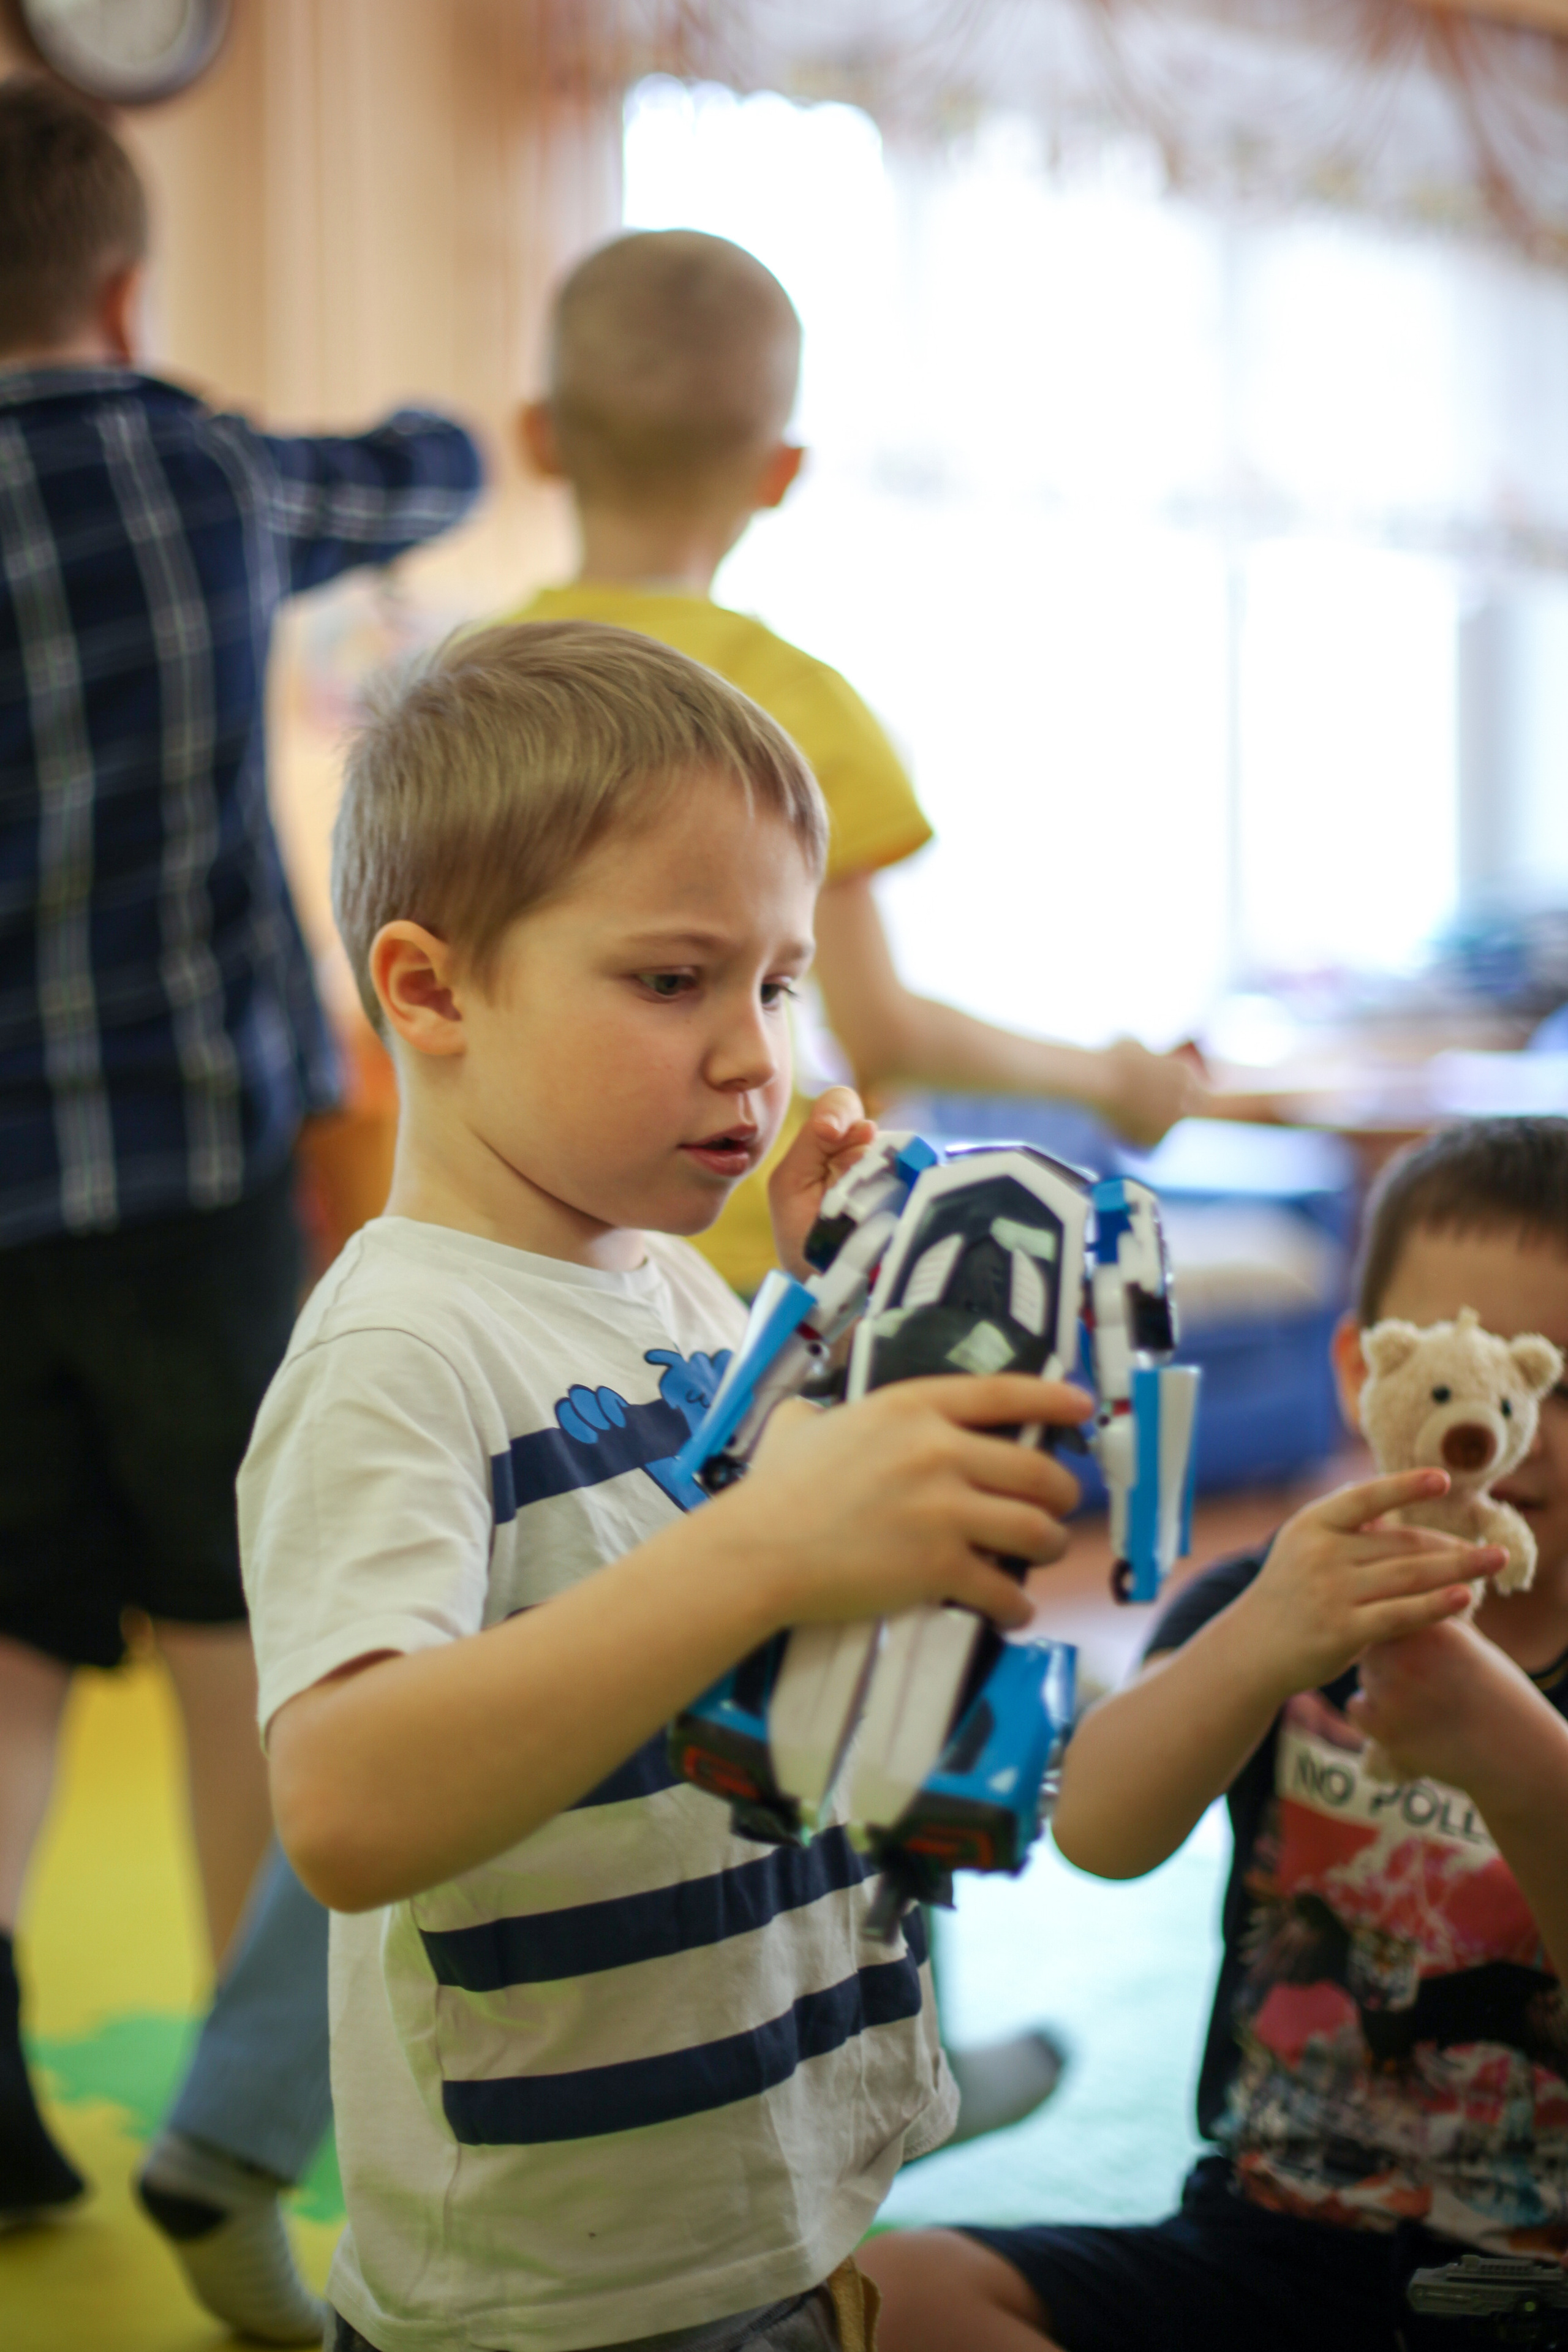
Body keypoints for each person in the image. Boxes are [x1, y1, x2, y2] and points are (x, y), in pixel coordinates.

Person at [245, 617, 1093, 2352]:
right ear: (430, 991)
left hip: (763, 2207)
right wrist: (769, 1540)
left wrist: (843, 1334)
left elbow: (765, 1609)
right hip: (557, 2301)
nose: (754, 1055)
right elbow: (343, 1802)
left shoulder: (680, 1293)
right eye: (670, 981)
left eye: (775, 983)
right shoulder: (397, 1353)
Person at [0, 69, 482, 2340]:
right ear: (122, 290)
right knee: (234, 1647)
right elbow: (423, 464)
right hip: (187, 1169)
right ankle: (236, 2121)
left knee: (9, 1652)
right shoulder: (193, 464)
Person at [860, 1115, 1568, 2352]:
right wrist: (1260, 1642)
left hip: (1534, 2285)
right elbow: (1100, 1832)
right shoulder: (1274, 1601)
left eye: (1557, 1381)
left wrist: (1521, 1766)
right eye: (1463, 1368)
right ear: (1364, 1370)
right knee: (899, 2292)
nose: (1513, 1425)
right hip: (1271, 2230)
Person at [511, 228, 1205, 1306]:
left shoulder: (468, 688)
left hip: (522, 1253)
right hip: (741, 1259)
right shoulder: (796, 708)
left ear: (539, 439)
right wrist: (1117, 1080)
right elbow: (883, 1029)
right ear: (781, 472)